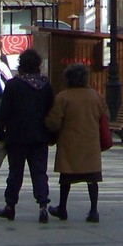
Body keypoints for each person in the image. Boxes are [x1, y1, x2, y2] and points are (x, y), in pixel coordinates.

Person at [0, 48, 54, 224]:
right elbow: (52, 111)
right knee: (39, 172)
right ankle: (43, 206)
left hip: (17, 136)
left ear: (21, 66)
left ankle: (10, 206)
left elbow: (3, 111)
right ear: (38, 66)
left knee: (15, 173)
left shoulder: (13, 85)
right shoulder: (46, 86)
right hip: (40, 136)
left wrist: (0, 131)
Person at [44, 62, 109, 223]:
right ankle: (93, 210)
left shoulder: (63, 97)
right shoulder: (96, 96)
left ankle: (62, 208)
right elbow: (105, 115)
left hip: (69, 143)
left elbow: (54, 122)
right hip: (91, 144)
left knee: (66, 178)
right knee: (93, 178)